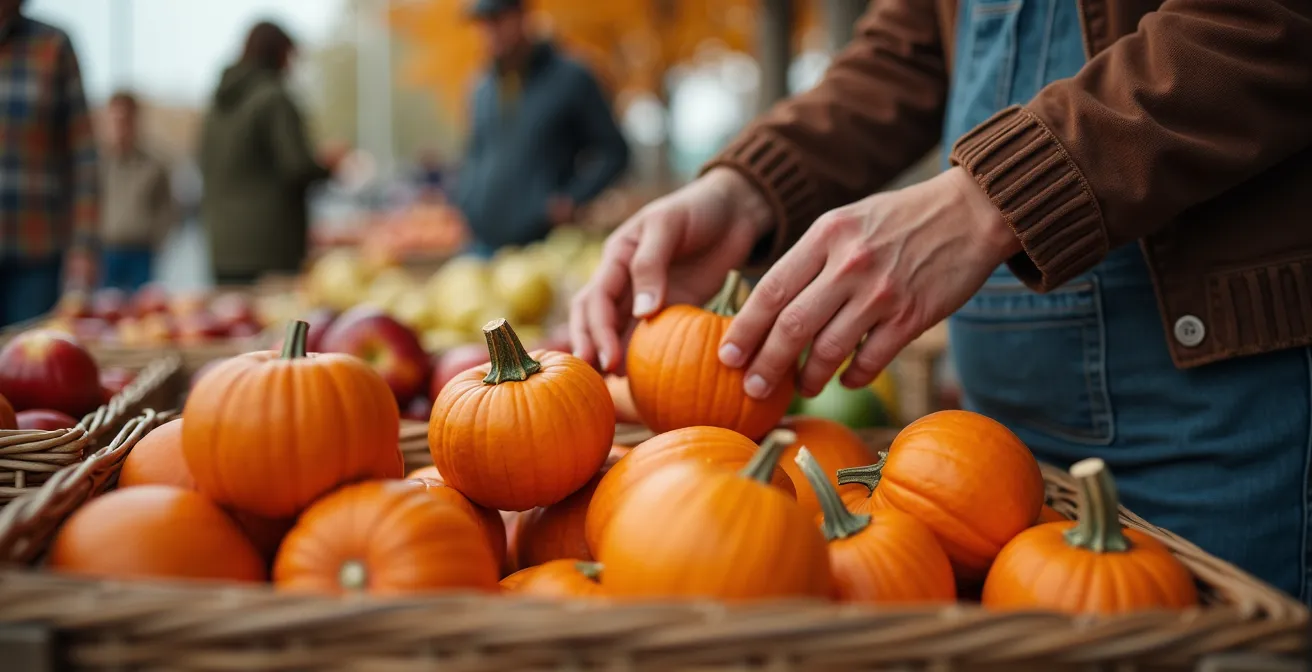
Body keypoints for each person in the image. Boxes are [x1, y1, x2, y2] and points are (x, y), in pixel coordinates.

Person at [572, 0, 1312, 604]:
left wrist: (987, 201)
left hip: (1208, 405)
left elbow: (1271, 20)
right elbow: (906, 51)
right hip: (989, 450)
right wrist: (745, 191)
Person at [454, 0, 630, 258]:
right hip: (482, 243)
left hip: (543, 244)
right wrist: (466, 200)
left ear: (522, 17)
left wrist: (573, 198)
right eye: (482, 24)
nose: (489, 31)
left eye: (497, 19)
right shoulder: (481, 88)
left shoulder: (572, 78)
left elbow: (613, 150)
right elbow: (476, 152)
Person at [198, 21, 343, 286]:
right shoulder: (274, 98)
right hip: (270, 247)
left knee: (232, 310)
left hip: (222, 246)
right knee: (274, 310)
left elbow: (204, 161)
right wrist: (329, 165)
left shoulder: (216, 107)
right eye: (290, 57)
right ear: (278, 53)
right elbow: (297, 167)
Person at [0, 0, 98, 326]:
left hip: (35, 253)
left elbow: (83, 156)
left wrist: (84, 246)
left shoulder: (52, 46)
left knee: (32, 352)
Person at [100, 91, 177, 292]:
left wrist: (158, 240)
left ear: (135, 121)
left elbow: (167, 208)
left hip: (141, 252)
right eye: (114, 120)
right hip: (105, 252)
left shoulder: (154, 164)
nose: (119, 127)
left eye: (125, 120)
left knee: (143, 305)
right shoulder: (95, 164)